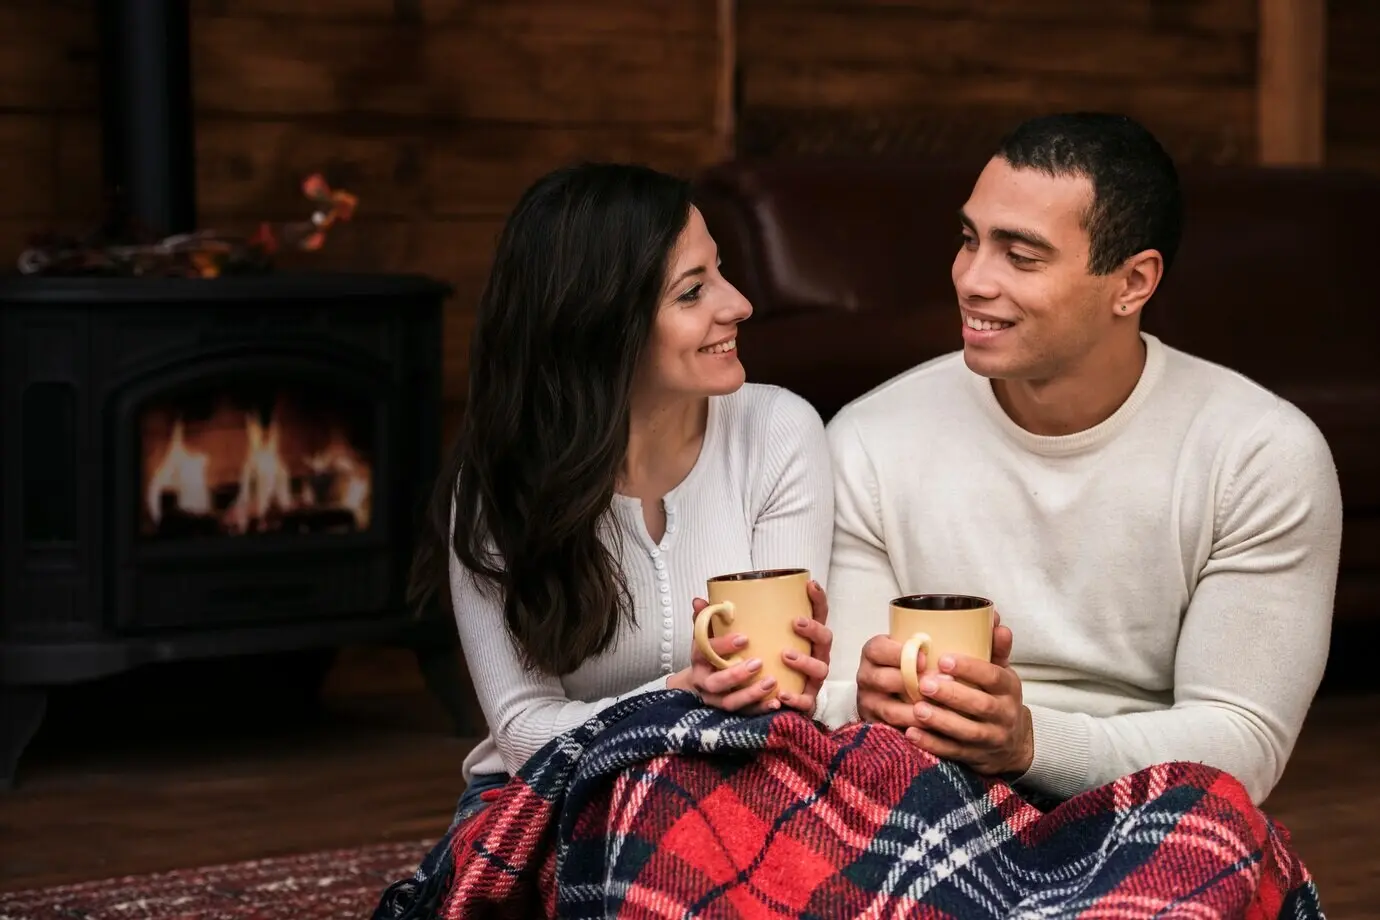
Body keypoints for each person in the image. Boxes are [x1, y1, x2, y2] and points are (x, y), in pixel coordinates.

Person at [818, 112, 1343, 807]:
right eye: (969, 240)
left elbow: (1241, 743)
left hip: (1144, 808)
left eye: (1021, 256)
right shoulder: (869, 439)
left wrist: (1029, 742)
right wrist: (863, 696)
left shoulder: (1260, 456)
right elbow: (835, 697)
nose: (972, 280)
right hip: (918, 791)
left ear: (1133, 283)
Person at [408, 162, 837, 824]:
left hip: (731, 773)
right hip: (548, 796)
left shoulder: (777, 431)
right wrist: (675, 697)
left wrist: (794, 683)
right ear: (602, 325)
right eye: (692, 292)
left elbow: (776, 693)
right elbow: (524, 733)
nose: (738, 304)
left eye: (720, 271)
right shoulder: (502, 483)